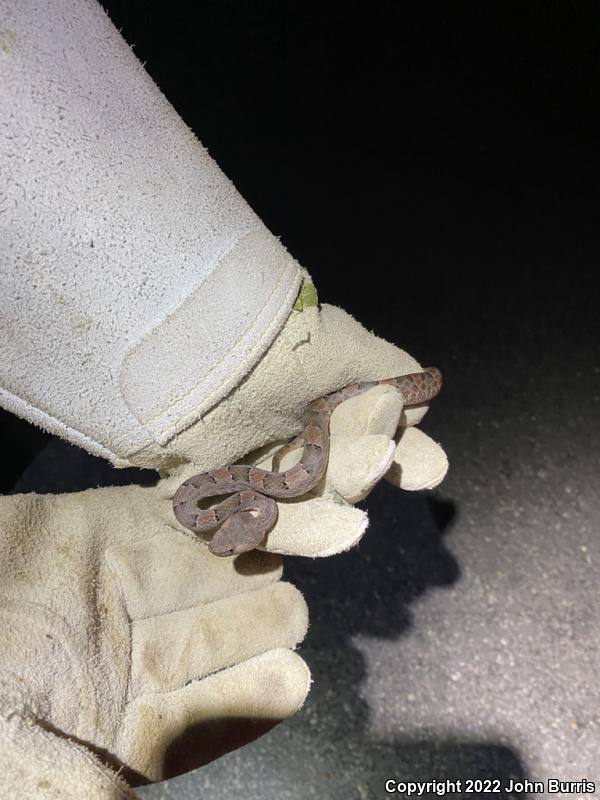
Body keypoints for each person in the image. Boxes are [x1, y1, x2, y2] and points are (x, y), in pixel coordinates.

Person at [0, 1, 448, 796]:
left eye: (242, 517)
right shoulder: (244, 502)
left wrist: (217, 344)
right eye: (242, 519)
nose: (247, 525)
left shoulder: (249, 499)